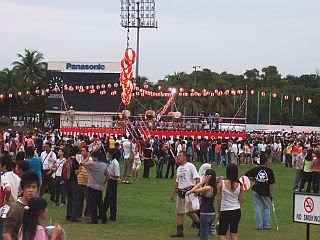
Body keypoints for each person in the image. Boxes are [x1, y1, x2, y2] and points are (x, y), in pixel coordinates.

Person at [170, 151, 200, 238]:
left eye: (180, 156)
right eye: (177, 156)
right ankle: (180, 231)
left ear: (184, 156)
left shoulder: (190, 166)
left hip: (189, 192)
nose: (178, 157)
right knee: (179, 212)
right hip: (180, 192)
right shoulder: (179, 168)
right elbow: (177, 182)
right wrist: (173, 193)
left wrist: (196, 190)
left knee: (189, 212)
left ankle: (200, 226)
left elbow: (197, 178)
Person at [3, 172, 40, 240]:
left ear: (37, 189)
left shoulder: (35, 205)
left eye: (34, 187)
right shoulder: (16, 208)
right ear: (22, 189)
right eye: (27, 187)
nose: (31, 190)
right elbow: (6, 234)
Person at [245, 155, 275, 230]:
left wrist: (254, 180)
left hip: (257, 189)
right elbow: (271, 184)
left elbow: (246, 174)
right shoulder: (269, 171)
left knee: (257, 208)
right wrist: (271, 194)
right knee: (266, 208)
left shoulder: (256, 169)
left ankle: (259, 225)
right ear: (266, 161)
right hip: (265, 191)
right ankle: (266, 225)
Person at [217, 164, 244, 240]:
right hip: (236, 210)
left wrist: (219, 212)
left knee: (222, 234)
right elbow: (241, 200)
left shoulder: (221, 183)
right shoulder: (240, 185)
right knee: (234, 233)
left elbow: (218, 199)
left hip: (225, 210)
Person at [83, 150, 109, 224]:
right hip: (99, 187)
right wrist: (104, 182)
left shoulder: (92, 164)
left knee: (93, 204)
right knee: (100, 203)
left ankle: (94, 219)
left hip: (92, 186)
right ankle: (104, 218)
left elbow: (83, 163)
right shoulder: (104, 165)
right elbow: (108, 175)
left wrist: (88, 156)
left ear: (95, 157)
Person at [190, 169, 217, 240]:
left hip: (205, 213)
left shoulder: (207, 188)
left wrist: (201, 182)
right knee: (206, 233)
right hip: (212, 213)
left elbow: (193, 190)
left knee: (203, 236)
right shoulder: (213, 187)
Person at [104, 148, 120, 222]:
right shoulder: (111, 162)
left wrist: (110, 175)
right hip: (110, 181)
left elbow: (117, 176)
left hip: (113, 182)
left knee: (112, 200)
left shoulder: (115, 163)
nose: (107, 154)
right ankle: (103, 213)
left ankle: (113, 216)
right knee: (107, 198)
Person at [77, 146, 90, 218]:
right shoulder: (80, 158)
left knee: (88, 199)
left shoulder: (90, 160)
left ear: (87, 152)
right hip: (80, 181)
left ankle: (87, 213)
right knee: (79, 199)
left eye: (84, 150)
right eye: (81, 150)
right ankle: (79, 213)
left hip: (87, 182)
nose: (82, 152)